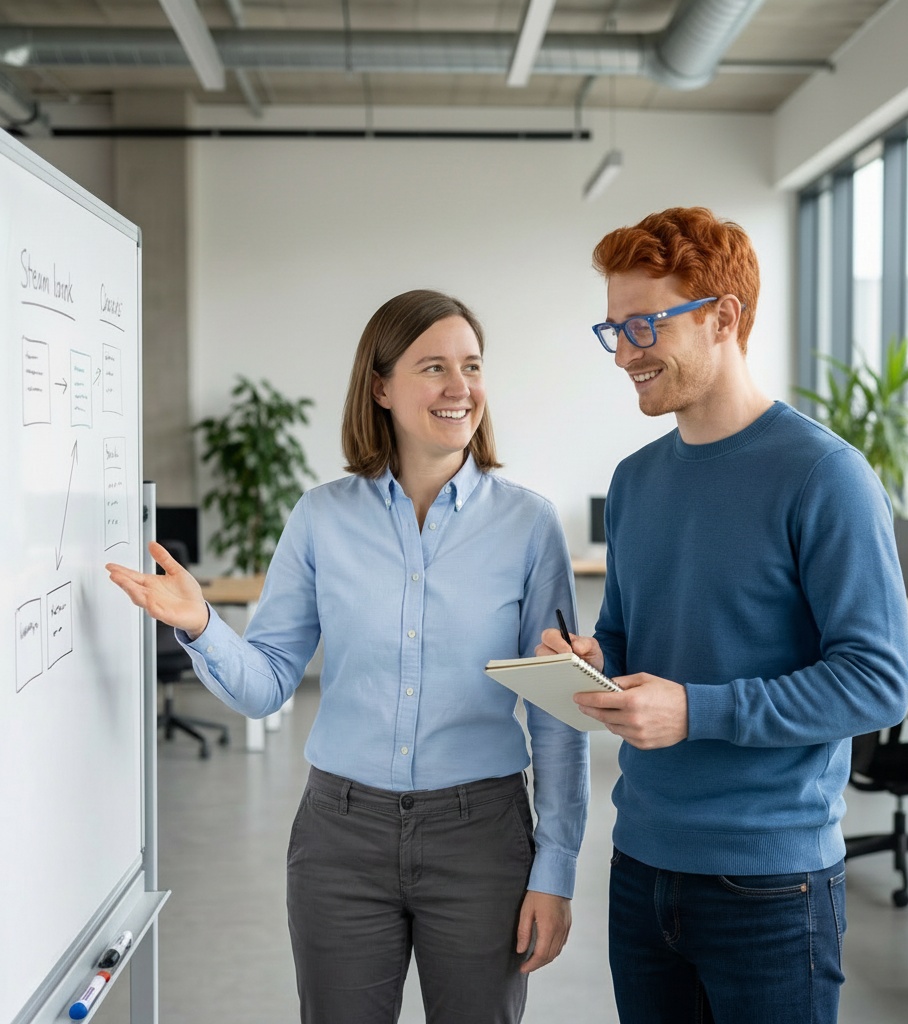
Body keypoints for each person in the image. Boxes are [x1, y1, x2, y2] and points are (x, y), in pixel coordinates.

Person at [108, 289, 590, 1024]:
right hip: (341, 837)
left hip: (481, 840)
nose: (460, 388)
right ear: (382, 386)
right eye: (434, 367)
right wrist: (202, 622)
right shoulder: (321, 517)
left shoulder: (529, 526)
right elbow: (268, 682)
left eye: (472, 366)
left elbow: (558, 713)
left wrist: (555, 870)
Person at [536, 207, 908, 1024]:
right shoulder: (636, 480)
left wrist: (695, 709)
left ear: (724, 318)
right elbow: (633, 636)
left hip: (772, 884)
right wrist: (589, 663)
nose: (626, 352)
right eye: (613, 328)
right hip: (640, 866)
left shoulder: (825, 476)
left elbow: (878, 681)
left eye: (644, 324)